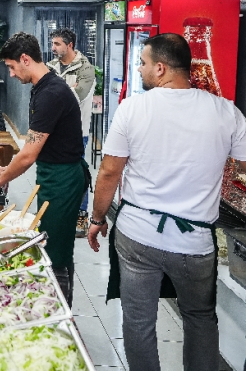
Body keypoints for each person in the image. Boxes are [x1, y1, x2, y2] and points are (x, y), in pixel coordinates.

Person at [88, 33, 246, 371]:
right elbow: (243, 168)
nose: (139, 69)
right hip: (195, 242)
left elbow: (109, 172)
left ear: (160, 68)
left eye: (142, 63)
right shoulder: (225, 111)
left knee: (138, 319)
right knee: (200, 318)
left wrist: (97, 219)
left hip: (137, 236)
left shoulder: (134, 108)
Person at [0, 32, 87, 306]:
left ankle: (59, 312)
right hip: (53, 174)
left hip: (63, 180)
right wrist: (7, 168)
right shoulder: (44, 87)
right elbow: (33, 145)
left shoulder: (51, 93)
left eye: (11, 66)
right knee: (53, 244)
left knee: (56, 252)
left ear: (25, 59)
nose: (11, 73)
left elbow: (28, 154)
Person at [46, 28, 96, 237]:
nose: (53, 48)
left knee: (76, 174)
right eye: (53, 43)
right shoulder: (50, 66)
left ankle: (80, 216)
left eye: (57, 44)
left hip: (77, 131)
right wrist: (67, 90)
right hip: (52, 130)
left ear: (69, 45)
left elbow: (77, 98)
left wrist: (57, 93)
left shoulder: (86, 69)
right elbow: (41, 95)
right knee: (56, 174)